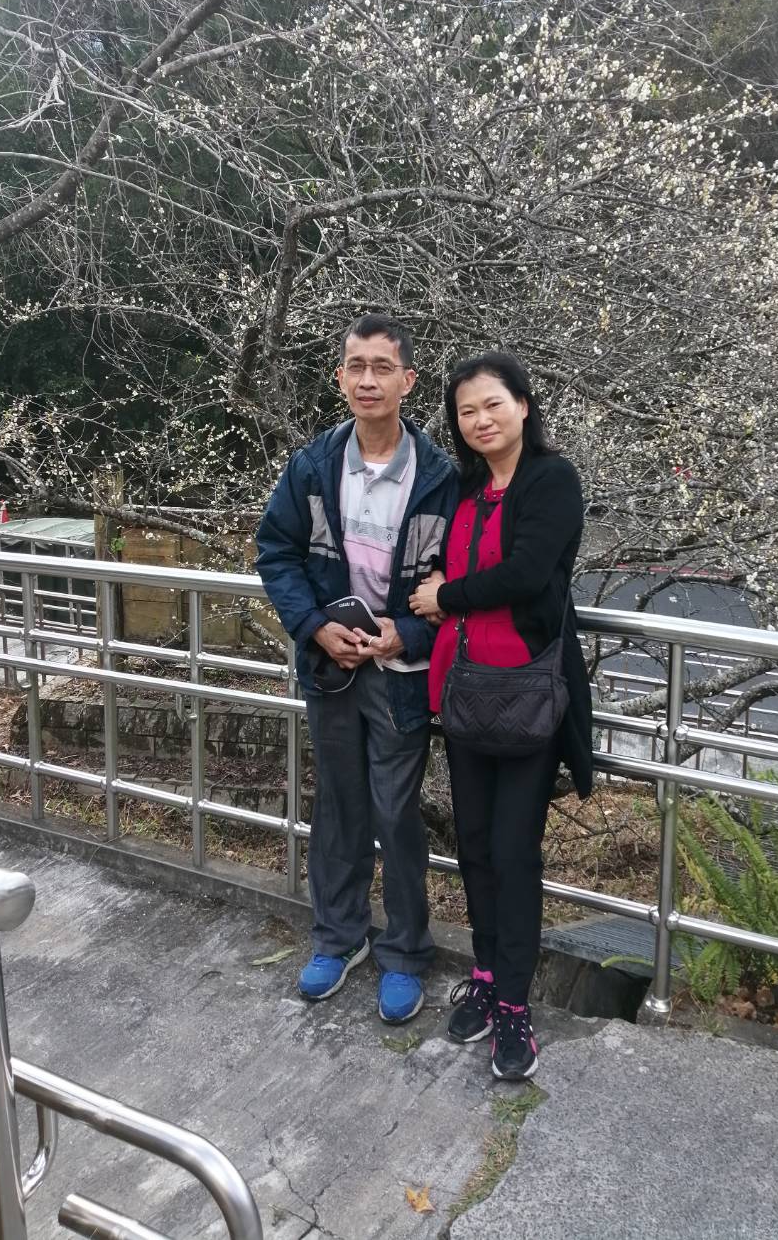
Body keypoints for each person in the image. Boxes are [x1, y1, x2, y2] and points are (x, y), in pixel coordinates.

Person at [256, 314, 457, 1023]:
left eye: (382, 367)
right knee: (339, 804)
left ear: (408, 380)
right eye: (356, 366)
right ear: (340, 377)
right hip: (331, 668)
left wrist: (407, 631)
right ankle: (338, 937)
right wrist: (315, 626)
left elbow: (460, 578)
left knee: (396, 812)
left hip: (401, 672)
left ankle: (404, 951)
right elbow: (276, 551)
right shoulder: (313, 466)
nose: (368, 380)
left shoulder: (440, 477)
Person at [409, 352, 592, 1080]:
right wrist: (429, 586)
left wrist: (446, 596)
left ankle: (515, 1003)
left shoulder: (552, 480)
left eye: (492, 404)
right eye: (466, 411)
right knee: (477, 845)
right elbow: (432, 560)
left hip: (525, 697)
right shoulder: (464, 487)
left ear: (523, 404)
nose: (480, 420)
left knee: (515, 852)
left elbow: (526, 573)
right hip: (463, 693)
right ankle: (486, 976)